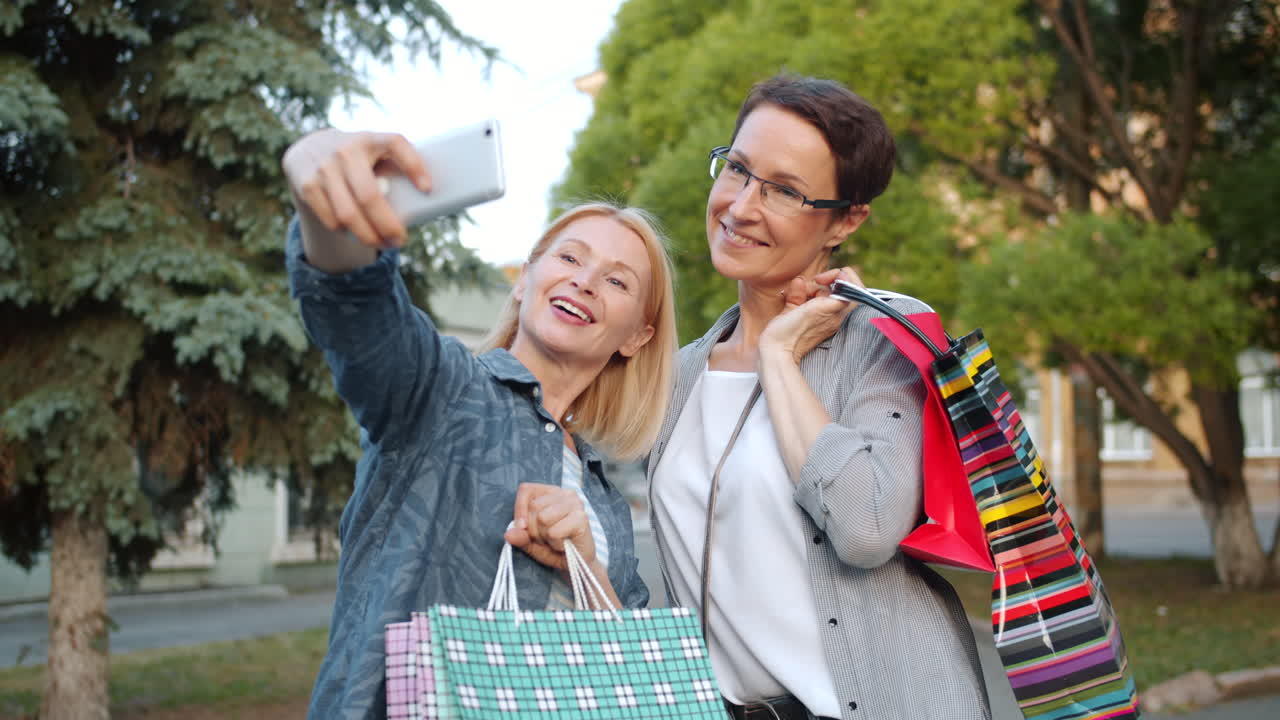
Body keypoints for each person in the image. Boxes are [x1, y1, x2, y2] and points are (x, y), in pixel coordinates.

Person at [281, 128, 678, 719]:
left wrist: (588, 567)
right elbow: (355, 303)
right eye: (569, 257)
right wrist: (319, 181)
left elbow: (627, 675)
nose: (585, 280)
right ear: (524, 279)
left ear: (637, 337)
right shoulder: (440, 388)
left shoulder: (608, 504)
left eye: (617, 281)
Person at [646, 74, 991, 720]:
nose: (742, 206)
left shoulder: (886, 339)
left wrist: (778, 355)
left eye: (784, 190)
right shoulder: (679, 376)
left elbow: (865, 527)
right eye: (739, 169)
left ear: (846, 220)